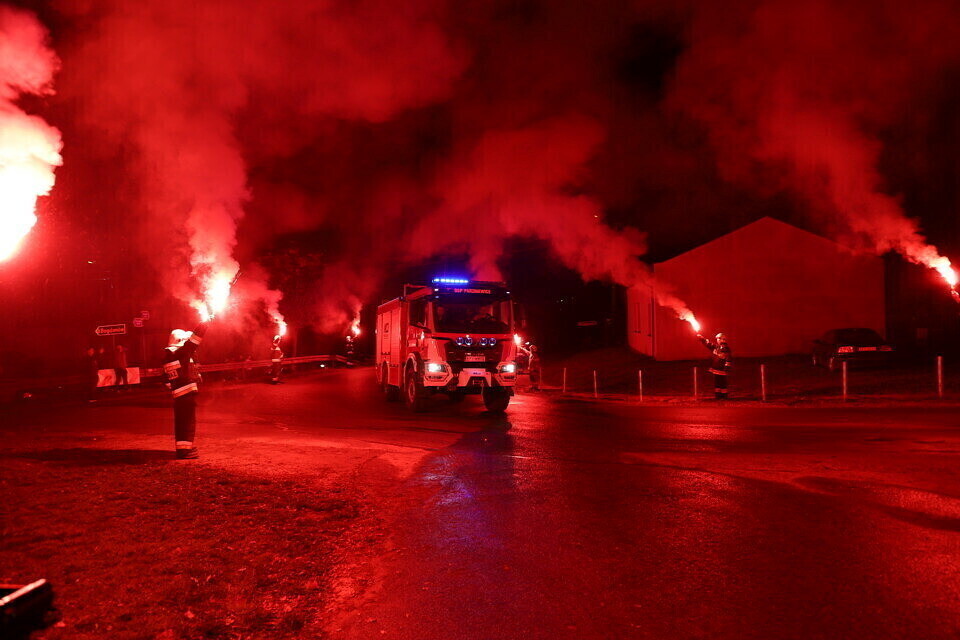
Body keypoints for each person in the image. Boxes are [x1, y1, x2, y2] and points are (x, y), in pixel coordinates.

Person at [162, 319, 211, 459]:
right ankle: (184, 451)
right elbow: (194, 341)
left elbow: (167, 379)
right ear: (180, 341)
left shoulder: (169, 356)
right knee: (187, 423)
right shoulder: (180, 353)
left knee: (182, 422)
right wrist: (205, 323)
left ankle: (183, 449)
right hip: (186, 394)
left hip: (179, 394)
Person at [697, 331, 732, 399]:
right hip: (716, 368)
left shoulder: (726, 349)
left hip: (722, 369)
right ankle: (718, 395)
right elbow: (708, 344)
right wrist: (702, 338)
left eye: (719, 339)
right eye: (717, 339)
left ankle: (724, 396)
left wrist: (727, 366)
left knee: (723, 382)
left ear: (723, 339)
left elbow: (728, 358)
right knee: (717, 382)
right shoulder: (716, 347)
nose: (717, 340)